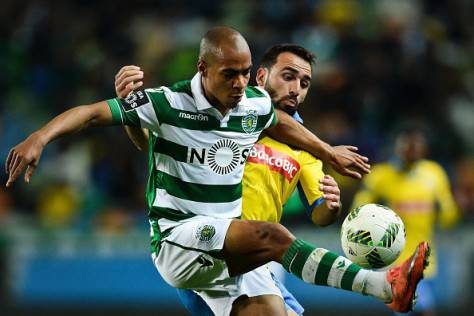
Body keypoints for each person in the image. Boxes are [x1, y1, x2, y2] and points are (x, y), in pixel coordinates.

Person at [6, 26, 428, 316]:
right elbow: (92, 114)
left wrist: (327, 152)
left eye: (245, 73)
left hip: (232, 248)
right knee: (274, 235)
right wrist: (40, 137)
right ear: (202, 69)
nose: (241, 83)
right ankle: (384, 287)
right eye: (230, 74)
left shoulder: (253, 103)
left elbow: (275, 121)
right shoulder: (167, 103)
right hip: (179, 240)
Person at [115, 44, 343, 316]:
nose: (296, 88)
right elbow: (149, 145)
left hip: (257, 258)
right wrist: (131, 113)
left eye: (304, 83)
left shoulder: (307, 149)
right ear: (260, 77)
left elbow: (320, 215)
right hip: (206, 249)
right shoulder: (223, 114)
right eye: (288, 77)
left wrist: (331, 204)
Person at [352, 126, 459, 316]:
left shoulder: (434, 174)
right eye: (408, 144)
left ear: (424, 148)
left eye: (417, 144)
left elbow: (448, 217)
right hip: (395, 260)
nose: (412, 149)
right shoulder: (381, 176)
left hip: (427, 260)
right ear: (397, 147)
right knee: (424, 309)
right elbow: (357, 210)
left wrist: (449, 210)